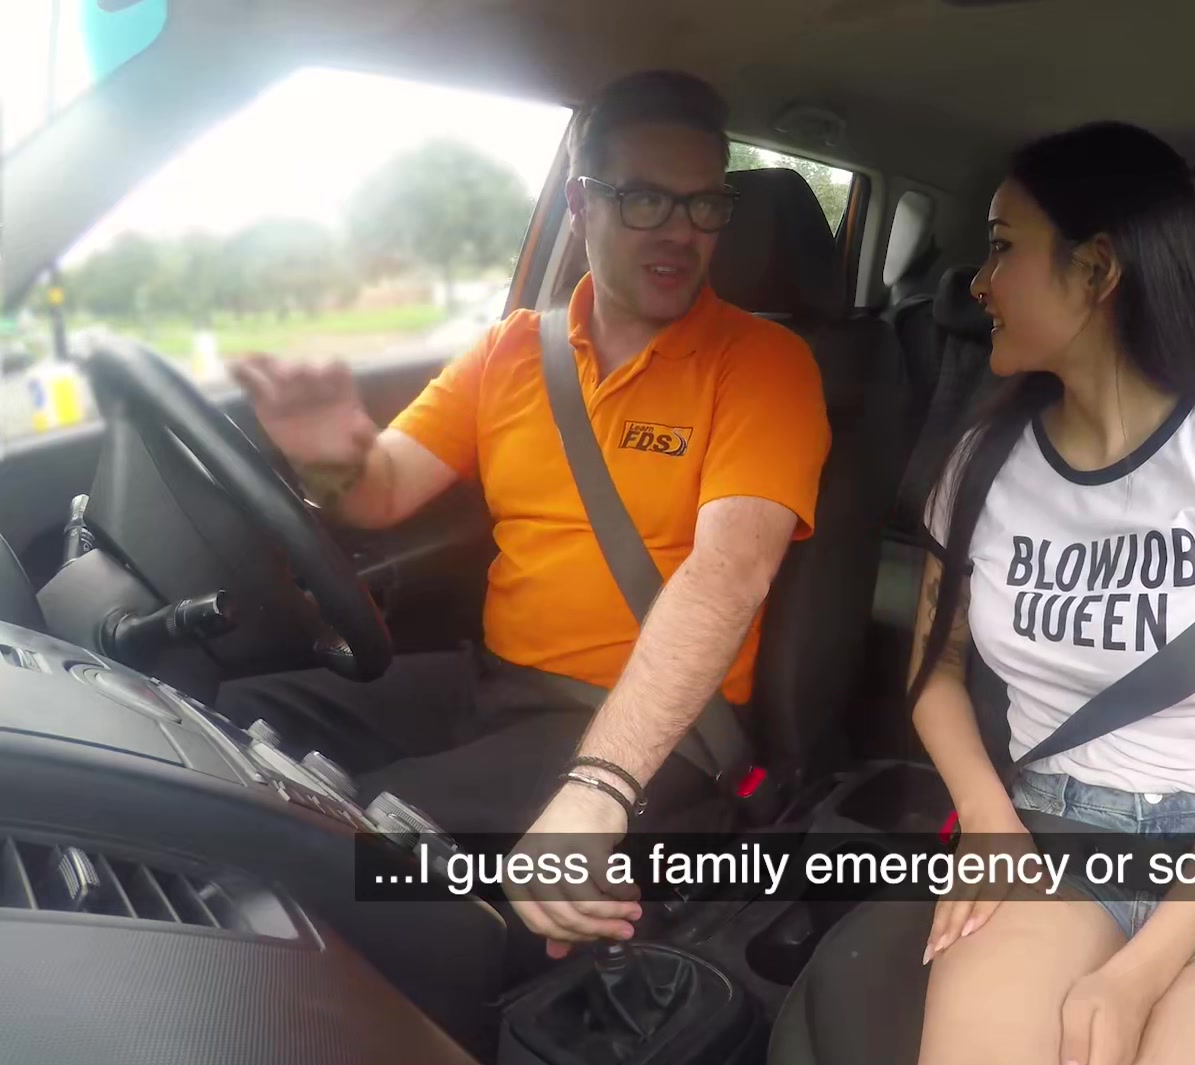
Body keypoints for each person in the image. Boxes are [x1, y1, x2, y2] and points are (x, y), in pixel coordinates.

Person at [221, 70, 830, 954]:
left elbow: (729, 571)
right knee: (227, 719)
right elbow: (382, 492)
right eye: (644, 200)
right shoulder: (512, 350)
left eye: (704, 205)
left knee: (360, 854)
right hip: (492, 683)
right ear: (580, 205)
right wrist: (323, 447)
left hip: (650, 727)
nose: (680, 232)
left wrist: (599, 787)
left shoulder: (764, 363)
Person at [909, 123, 1195, 1065]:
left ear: (1097, 269)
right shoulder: (978, 468)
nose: (979, 283)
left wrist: (1136, 979)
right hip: (1057, 826)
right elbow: (933, 675)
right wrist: (987, 817)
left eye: (1002, 248)